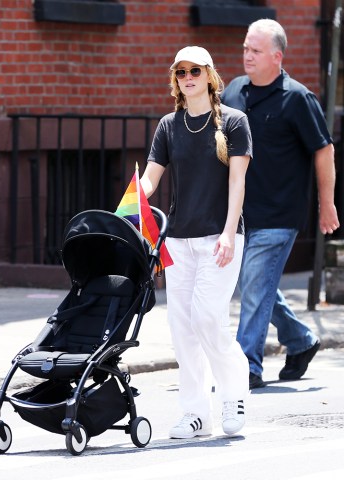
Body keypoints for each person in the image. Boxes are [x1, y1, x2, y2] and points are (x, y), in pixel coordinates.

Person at [221, 19, 340, 390]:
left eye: (255, 50)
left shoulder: (298, 99)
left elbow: (324, 151)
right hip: (240, 214)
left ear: (277, 56)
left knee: (255, 285)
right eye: (245, 48)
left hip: (280, 215)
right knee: (258, 286)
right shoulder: (234, 92)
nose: (247, 56)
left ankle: (246, 367)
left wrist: (327, 204)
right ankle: (301, 340)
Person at [140, 46, 252, 439]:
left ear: (209, 75)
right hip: (180, 242)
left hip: (220, 239)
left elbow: (237, 181)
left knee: (207, 318)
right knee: (181, 326)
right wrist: (139, 192)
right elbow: (152, 178)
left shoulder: (234, 122)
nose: (187, 78)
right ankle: (195, 413)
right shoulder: (169, 126)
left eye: (194, 71)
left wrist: (227, 230)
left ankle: (234, 393)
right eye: (181, 72)